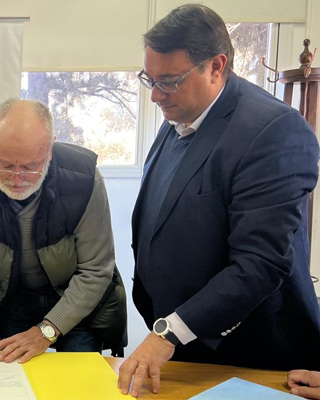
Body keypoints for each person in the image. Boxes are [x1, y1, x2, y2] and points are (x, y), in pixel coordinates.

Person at [120, 4, 320, 397]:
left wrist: (170, 332)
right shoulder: (180, 114)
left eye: (169, 81)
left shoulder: (273, 131)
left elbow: (261, 263)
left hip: (253, 352)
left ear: (215, 66)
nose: (156, 95)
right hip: (186, 341)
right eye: (150, 80)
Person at [0, 99, 126, 375]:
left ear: (50, 150)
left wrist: (45, 332)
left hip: (76, 298)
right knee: (7, 382)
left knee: (77, 380)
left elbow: (96, 270)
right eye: (5, 165)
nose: (16, 178)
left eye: (30, 166)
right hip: (11, 300)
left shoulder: (84, 179)